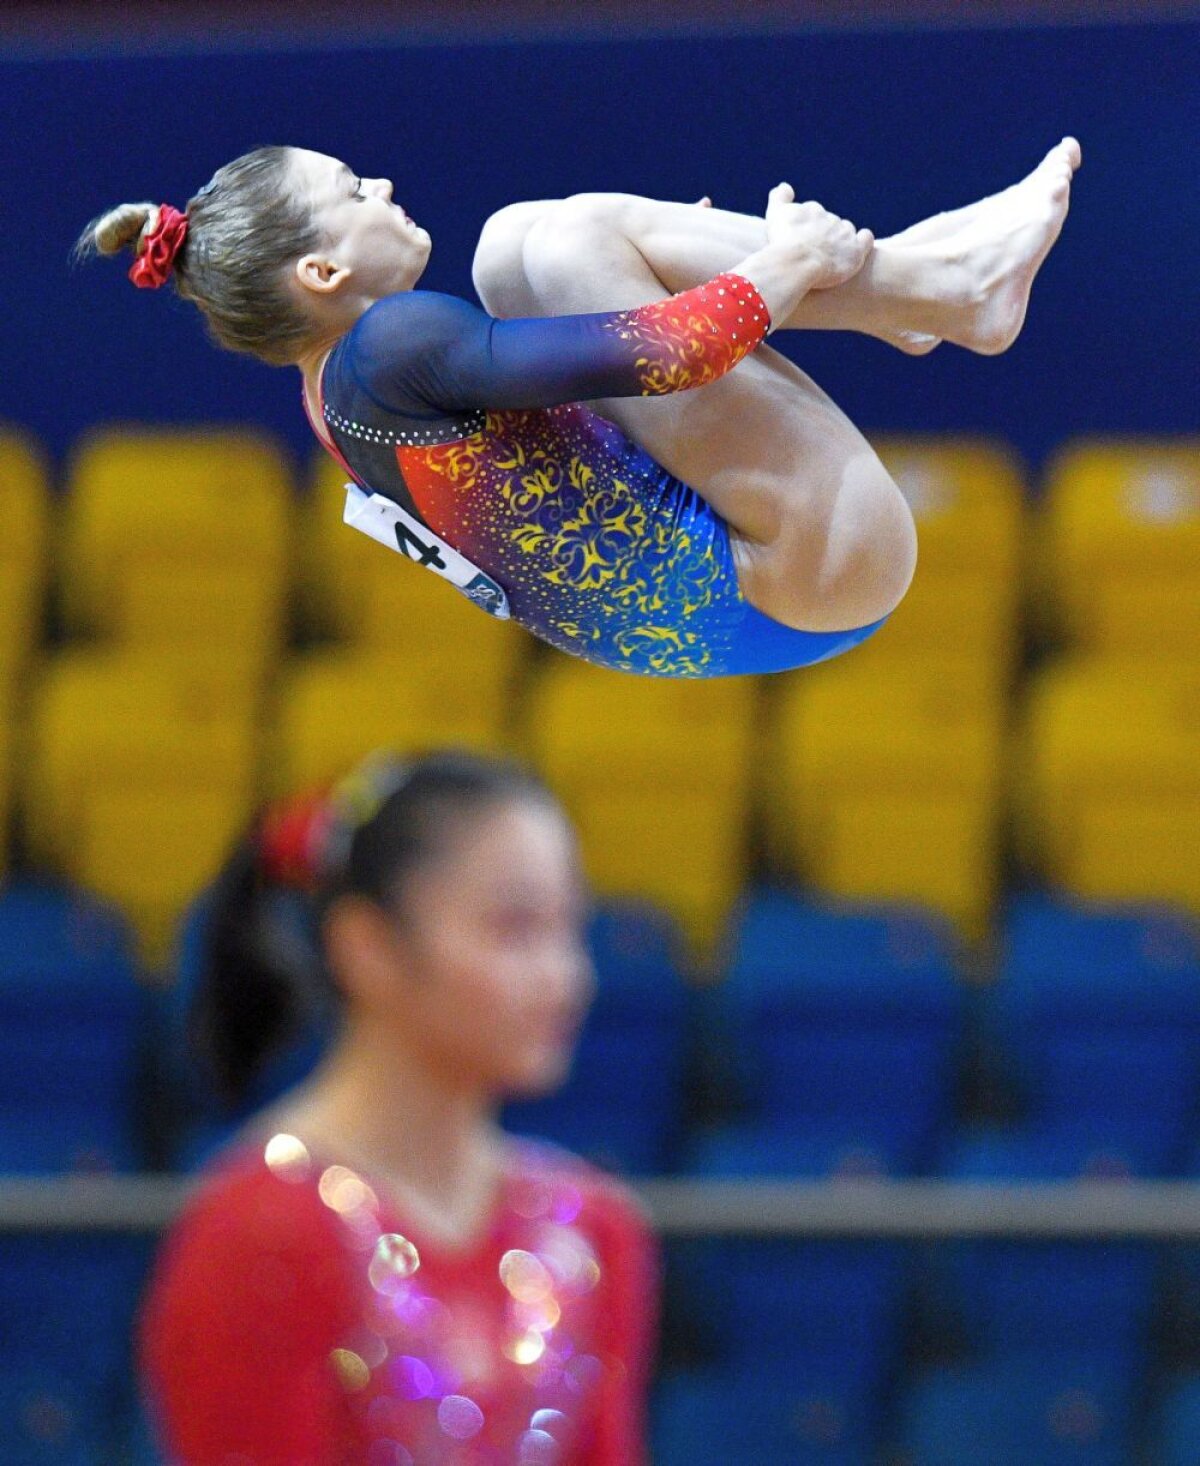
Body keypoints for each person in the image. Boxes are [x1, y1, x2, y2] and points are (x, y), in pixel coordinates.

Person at [75, 137, 1080, 676]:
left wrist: (681, 267)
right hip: (806, 562)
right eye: (350, 187)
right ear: (322, 266)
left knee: (523, 249)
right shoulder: (393, 343)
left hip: (749, 610)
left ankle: (936, 290)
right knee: (552, 241)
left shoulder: (334, 396)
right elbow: (669, 355)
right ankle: (944, 288)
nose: (379, 180)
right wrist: (791, 261)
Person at [138, 748, 660, 1464]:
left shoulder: (591, 1229)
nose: (565, 977)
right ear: (369, 948)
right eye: (514, 929)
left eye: (570, 928)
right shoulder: (260, 1233)